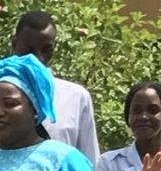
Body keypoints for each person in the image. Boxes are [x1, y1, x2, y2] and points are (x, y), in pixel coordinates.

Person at [11, 11, 101, 162]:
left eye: (46, 50)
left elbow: (89, 161)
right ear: (14, 45)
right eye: (29, 50)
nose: (38, 58)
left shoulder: (76, 97)